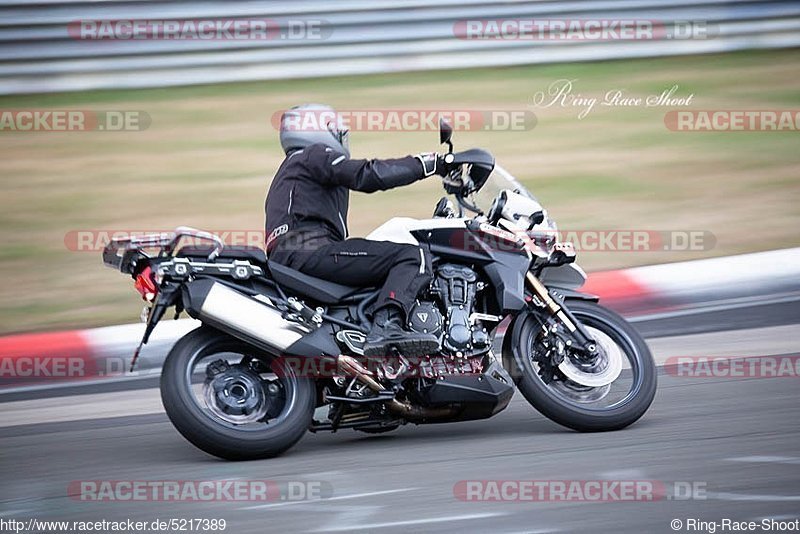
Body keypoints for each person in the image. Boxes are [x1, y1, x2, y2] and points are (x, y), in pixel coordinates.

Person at [265, 104, 451, 357]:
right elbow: (368, 175)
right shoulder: (313, 155)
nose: (342, 136)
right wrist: (430, 163)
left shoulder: (291, 170)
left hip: (295, 256)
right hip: (310, 252)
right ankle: (387, 328)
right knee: (412, 257)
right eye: (337, 130)